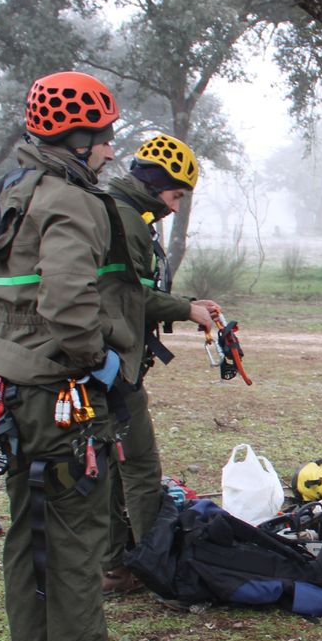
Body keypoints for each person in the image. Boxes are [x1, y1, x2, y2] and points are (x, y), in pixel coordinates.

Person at [0, 70, 155, 641]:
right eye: (106, 140)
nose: (113, 152)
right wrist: (100, 364)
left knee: (26, 528)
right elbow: (67, 305)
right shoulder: (70, 202)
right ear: (79, 138)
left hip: (3, 391)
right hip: (63, 395)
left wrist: (3, 339)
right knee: (76, 533)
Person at [100, 134, 223, 596]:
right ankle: (153, 563)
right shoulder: (125, 219)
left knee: (112, 465)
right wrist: (184, 309)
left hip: (109, 360)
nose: (174, 208)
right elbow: (126, 296)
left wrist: (183, 303)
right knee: (138, 465)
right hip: (112, 365)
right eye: (174, 196)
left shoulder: (127, 213)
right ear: (155, 184)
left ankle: (116, 564)